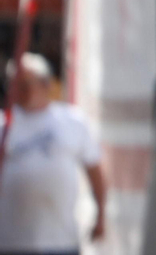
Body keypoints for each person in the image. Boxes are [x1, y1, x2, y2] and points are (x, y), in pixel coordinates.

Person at [0, 54, 106, 255]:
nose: (20, 91)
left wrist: (100, 216)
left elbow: (95, 171)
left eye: (26, 84)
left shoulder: (72, 122)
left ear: (46, 84)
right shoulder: (3, 125)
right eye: (15, 84)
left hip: (60, 243)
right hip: (9, 243)